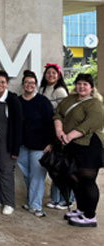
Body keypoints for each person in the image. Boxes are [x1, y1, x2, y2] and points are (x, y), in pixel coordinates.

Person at [54, 73, 104, 228]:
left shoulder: (94, 103)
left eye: (85, 84)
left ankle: (90, 216)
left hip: (89, 146)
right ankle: (81, 209)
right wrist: (59, 131)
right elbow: (58, 114)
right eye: (79, 83)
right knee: (75, 178)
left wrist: (69, 135)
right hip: (72, 146)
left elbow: (92, 122)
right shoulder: (69, 99)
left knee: (87, 180)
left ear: (91, 88)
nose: (81, 87)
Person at [17, 70, 54, 218]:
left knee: (37, 176)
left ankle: (36, 206)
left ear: (36, 85)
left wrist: (50, 143)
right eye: (27, 83)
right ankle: (31, 201)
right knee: (27, 175)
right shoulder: (18, 101)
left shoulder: (43, 102)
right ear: (23, 85)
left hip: (40, 146)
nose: (29, 85)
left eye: (32, 83)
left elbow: (51, 123)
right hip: (22, 146)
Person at [0, 70, 23, 215]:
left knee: (6, 172)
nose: (0, 84)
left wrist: (15, 149)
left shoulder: (13, 100)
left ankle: (9, 202)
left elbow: (18, 125)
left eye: (3, 82)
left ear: (7, 84)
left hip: (7, 142)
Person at [39, 63, 71, 210]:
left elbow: (64, 114)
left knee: (61, 168)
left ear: (58, 75)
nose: (50, 75)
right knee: (53, 167)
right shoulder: (42, 89)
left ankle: (67, 199)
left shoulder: (60, 91)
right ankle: (54, 198)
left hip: (59, 132)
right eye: (48, 73)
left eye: (54, 73)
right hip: (47, 131)